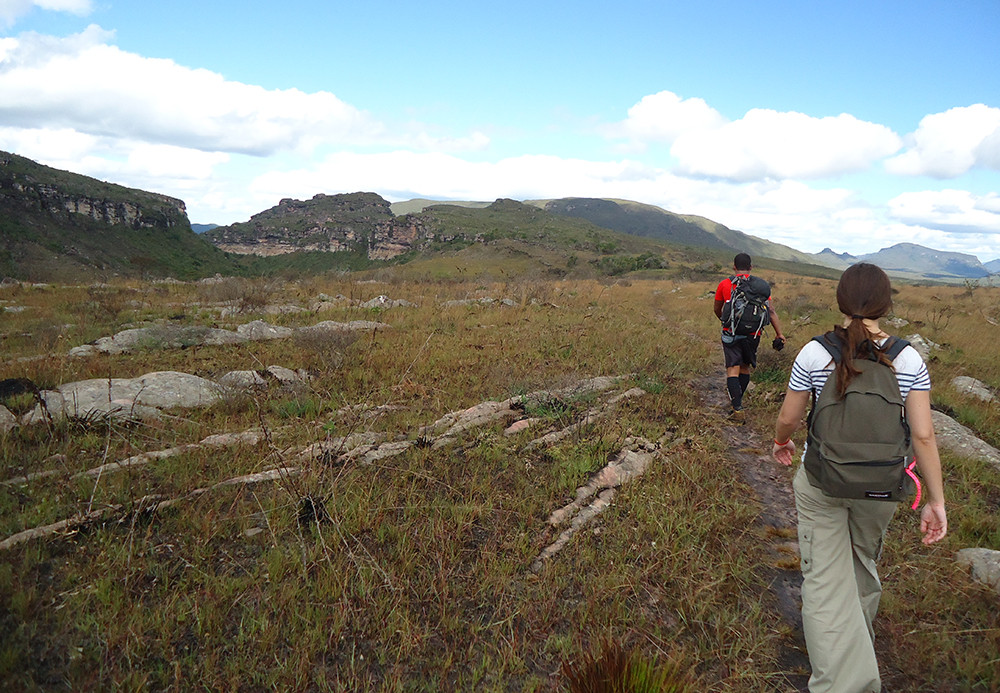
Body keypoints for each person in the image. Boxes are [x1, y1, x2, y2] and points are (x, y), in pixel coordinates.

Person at [771, 263, 947, 693]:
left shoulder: (814, 352)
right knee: (861, 561)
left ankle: (843, 682)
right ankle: (857, 641)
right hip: (881, 485)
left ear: (840, 300)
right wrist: (935, 500)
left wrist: (780, 442)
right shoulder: (908, 358)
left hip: (822, 482)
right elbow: (922, 434)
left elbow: (789, 417)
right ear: (886, 305)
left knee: (825, 579)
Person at [713, 253, 785, 419]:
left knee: (732, 368)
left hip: (731, 332)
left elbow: (717, 308)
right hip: (754, 333)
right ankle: (737, 402)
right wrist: (779, 333)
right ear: (751, 267)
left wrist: (725, 321)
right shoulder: (759, 287)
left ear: (734, 267)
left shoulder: (725, 284)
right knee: (744, 367)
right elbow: (771, 311)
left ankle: (737, 408)